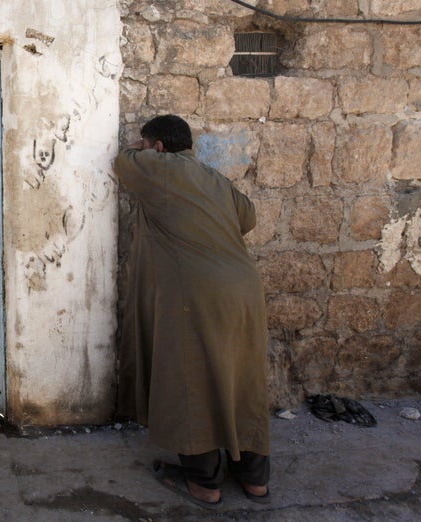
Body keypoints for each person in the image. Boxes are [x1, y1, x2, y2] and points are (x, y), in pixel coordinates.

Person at [113, 114, 271, 508]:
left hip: (197, 295)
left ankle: (205, 482)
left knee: (191, 379)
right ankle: (255, 480)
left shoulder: (156, 166)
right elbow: (247, 218)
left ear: (160, 147)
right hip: (244, 291)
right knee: (241, 381)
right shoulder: (213, 177)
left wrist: (137, 148)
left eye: (146, 143)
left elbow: (122, 163)